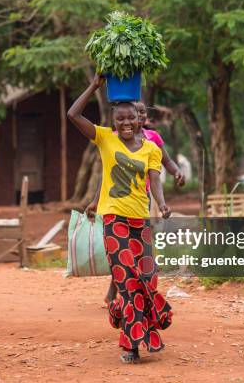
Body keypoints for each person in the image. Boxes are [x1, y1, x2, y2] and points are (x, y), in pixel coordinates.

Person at [67, 75, 173, 364]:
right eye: (120, 119)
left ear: (140, 120)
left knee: (148, 280)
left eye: (131, 119)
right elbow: (72, 114)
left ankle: (133, 323)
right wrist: (94, 86)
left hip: (141, 222)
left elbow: (155, 179)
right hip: (115, 221)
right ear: (114, 121)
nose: (126, 124)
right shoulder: (105, 138)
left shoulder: (152, 148)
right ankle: (132, 344)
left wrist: (162, 205)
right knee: (126, 281)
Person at [86, 101, 186, 304]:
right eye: (134, 113)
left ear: (144, 117)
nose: (137, 117)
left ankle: (135, 298)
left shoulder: (152, 140)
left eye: (140, 113)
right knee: (123, 254)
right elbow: (107, 175)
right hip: (117, 203)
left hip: (144, 198)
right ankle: (123, 298)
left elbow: (164, 164)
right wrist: (96, 201)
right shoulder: (113, 140)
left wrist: (176, 173)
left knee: (137, 254)